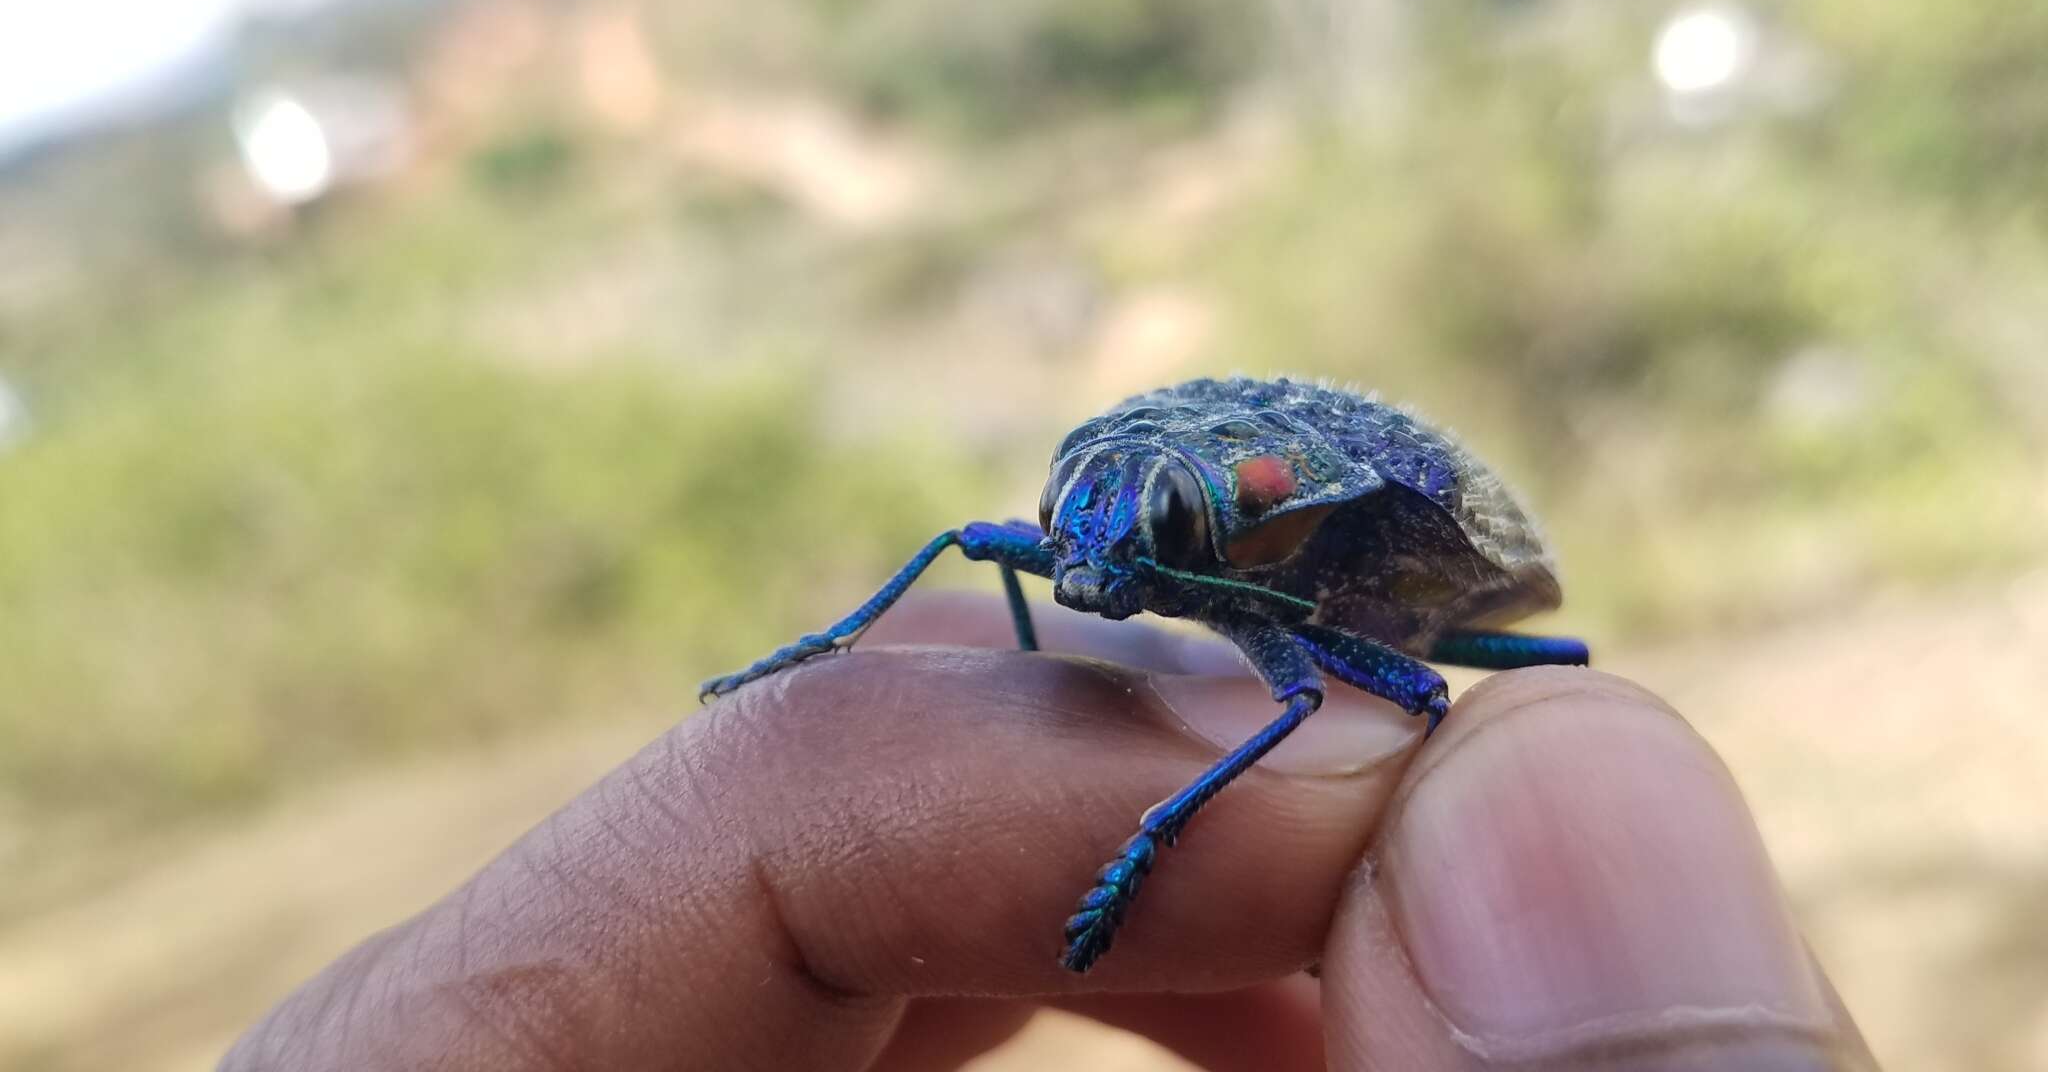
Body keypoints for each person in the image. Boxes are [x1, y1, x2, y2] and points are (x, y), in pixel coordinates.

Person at [222, 593, 1875, 1070]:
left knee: (1446, 695)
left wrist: (1146, 837)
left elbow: (1311, 698)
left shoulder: (1272, 559)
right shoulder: (1117, 534)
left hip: (1382, 575)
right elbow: (984, 549)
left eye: (1128, 551)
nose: (1082, 568)